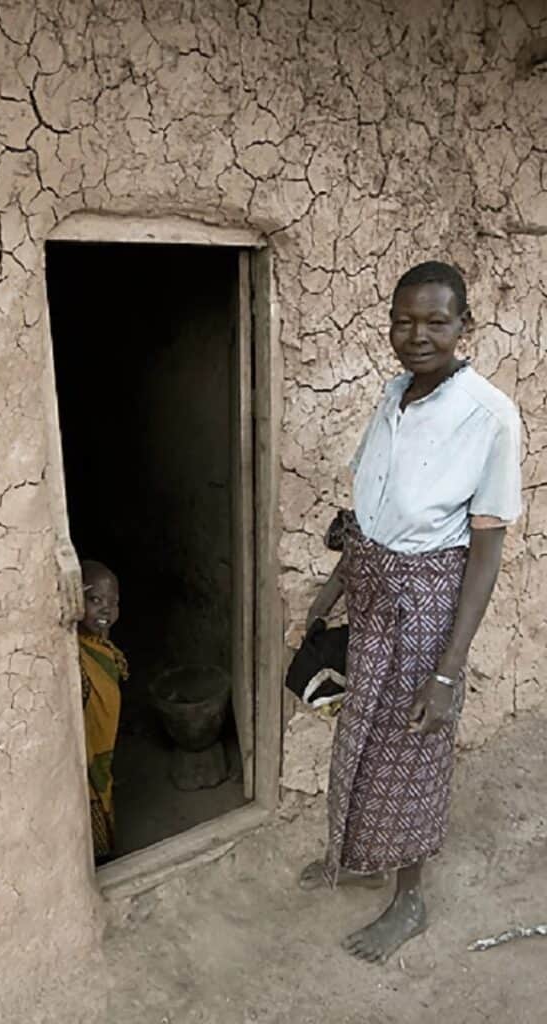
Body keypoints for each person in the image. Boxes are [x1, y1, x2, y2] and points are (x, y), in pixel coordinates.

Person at [298, 261, 522, 964]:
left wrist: (449, 671)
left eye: (435, 321)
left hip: (426, 607)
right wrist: (333, 589)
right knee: (358, 736)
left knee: (413, 753)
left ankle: (410, 900)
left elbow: (483, 553)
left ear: (465, 327)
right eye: (404, 320)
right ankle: (352, 854)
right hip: (371, 592)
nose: (417, 335)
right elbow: (368, 511)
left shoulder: (489, 417)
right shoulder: (393, 395)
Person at [78, 559, 128, 865]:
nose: (106, 610)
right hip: (85, 750)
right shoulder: (76, 654)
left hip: (101, 748)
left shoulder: (102, 649)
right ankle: (98, 858)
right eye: (95, 600)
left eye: (113, 602)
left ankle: (106, 850)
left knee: (102, 778)